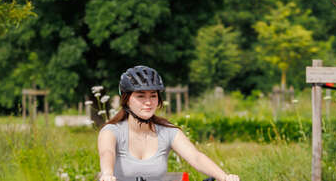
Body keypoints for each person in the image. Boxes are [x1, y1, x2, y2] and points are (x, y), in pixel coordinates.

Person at [98, 65, 240, 181]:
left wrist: (224, 177)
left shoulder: (168, 132)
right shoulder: (111, 131)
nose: (148, 102)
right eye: (140, 96)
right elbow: (107, 153)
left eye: (153, 96)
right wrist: (107, 174)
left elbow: (196, 157)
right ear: (126, 99)